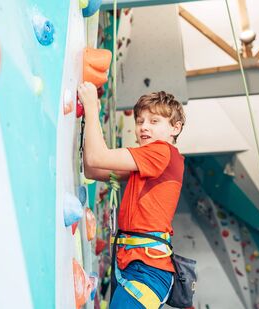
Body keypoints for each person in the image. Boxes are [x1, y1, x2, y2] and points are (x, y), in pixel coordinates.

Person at [77, 82, 186, 309]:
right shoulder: (149, 163)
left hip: (146, 267)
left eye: (154, 121)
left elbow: (97, 158)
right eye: (139, 121)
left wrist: (90, 107)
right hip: (135, 264)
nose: (144, 127)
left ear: (175, 128)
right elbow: (92, 169)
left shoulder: (161, 152)